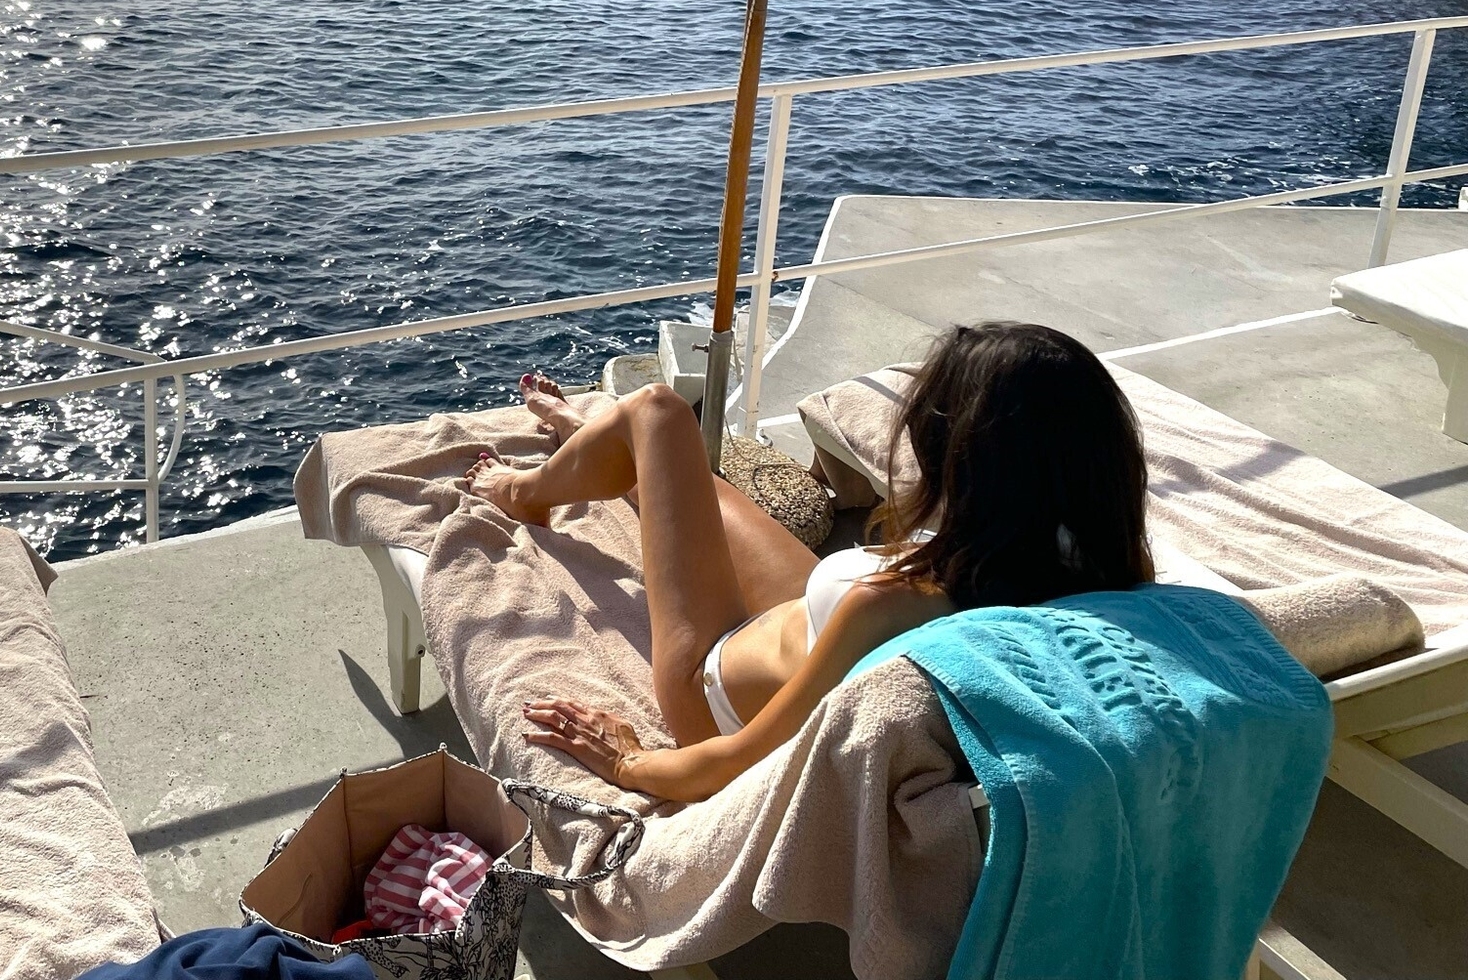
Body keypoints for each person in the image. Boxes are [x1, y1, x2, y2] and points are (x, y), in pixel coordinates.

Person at [463, 320, 1153, 803]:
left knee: (657, 413)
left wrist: (627, 761)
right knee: (678, 475)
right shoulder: (1107, 570)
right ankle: (586, 439)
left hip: (713, 689)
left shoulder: (890, 605)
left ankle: (524, 490)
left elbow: (737, 764)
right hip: (814, 624)